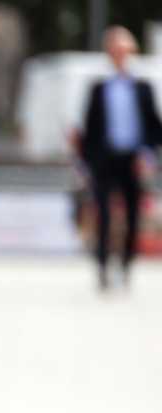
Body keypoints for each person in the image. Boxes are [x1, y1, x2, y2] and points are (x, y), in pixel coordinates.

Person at [80, 26, 162, 291]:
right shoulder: (98, 88)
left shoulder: (143, 88)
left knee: (133, 214)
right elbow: (89, 129)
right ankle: (103, 265)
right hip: (105, 160)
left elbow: (153, 126)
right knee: (102, 214)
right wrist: (87, 161)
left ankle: (126, 264)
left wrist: (147, 155)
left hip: (133, 160)